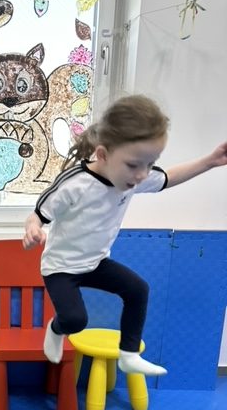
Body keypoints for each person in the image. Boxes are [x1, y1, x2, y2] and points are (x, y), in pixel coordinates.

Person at [23, 94, 227, 375]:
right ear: (103, 154)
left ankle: (128, 354)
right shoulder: (75, 184)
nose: (143, 175)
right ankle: (56, 329)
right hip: (61, 268)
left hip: (95, 263)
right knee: (75, 320)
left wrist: (211, 161)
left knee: (138, 289)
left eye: (149, 163)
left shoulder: (132, 177)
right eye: (134, 165)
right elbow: (38, 214)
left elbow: (168, 178)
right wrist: (33, 229)